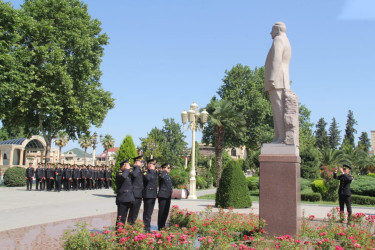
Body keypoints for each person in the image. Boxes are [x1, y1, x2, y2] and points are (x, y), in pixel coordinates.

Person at [264, 21, 291, 143]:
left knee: (278, 109)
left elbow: (276, 60)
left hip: (278, 79)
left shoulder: (278, 40)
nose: (270, 32)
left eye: (272, 30)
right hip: (282, 79)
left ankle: (281, 137)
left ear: (278, 30)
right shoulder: (287, 41)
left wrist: (271, 78)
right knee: (278, 109)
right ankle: (278, 136)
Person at [116, 159, 134, 225]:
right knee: (121, 217)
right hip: (123, 198)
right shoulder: (119, 173)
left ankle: (124, 231)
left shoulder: (127, 173)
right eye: (127, 165)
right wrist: (127, 169)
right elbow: (123, 177)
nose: (129, 167)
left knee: (126, 217)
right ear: (124, 165)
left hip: (129, 198)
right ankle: (119, 232)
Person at [142, 158, 158, 232]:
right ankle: (146, 228)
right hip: (148, 195)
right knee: (147, 213)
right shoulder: (146, 172)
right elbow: (148, 179)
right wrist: (151, 170)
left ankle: (148, 227)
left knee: (150, 213)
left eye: (154, 164)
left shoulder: (154, 172)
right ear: (148, 165)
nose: (154, 166)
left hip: (153, 195)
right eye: (152, 164)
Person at [129, 155, 144, 225]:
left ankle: (133, 225)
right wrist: (137, 166)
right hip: (134, 194)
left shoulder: (139, 170)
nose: (141, 163)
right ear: (136, 162)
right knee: (132, 212)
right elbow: (134, 175)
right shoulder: (133, 169)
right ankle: (130, 225)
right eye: (140, 162)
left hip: (139, 194)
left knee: (135, 212)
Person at [157, 163, 173, 230]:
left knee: (166, 212)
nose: (169, 169)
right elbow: (161, 177)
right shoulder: (162, 174)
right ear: (164, 168)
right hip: (163, 196)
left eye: (169, 168)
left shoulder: (168, 176)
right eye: (167, 168)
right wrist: (164, 171)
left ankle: (163, 225)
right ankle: (160, 226)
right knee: (162, 212)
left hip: (167, 196)